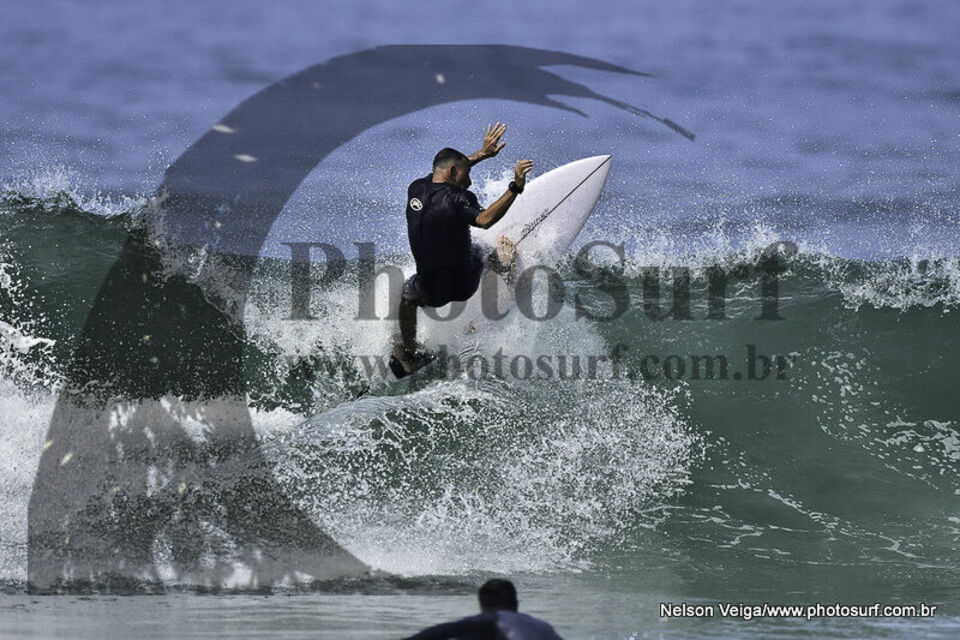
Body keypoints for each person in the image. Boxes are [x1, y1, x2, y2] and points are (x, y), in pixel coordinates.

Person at [392, 122, 533, 377]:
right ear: (454, 171)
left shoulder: (416, 188)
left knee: (407, 294)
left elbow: (445, 171)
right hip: (462, 285)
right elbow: (485, 220)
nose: (469, 183)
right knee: (481, 246)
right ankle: (507, 270)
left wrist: (481, 154)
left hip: (429, 290)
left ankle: (409, 355)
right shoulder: (459, 199)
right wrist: (515, 187)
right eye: (466, 175)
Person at [402, 578, 564, 640]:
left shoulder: (494, 619)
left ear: (481, 606)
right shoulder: (543, 626)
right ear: (516, 603)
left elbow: (444, 631)